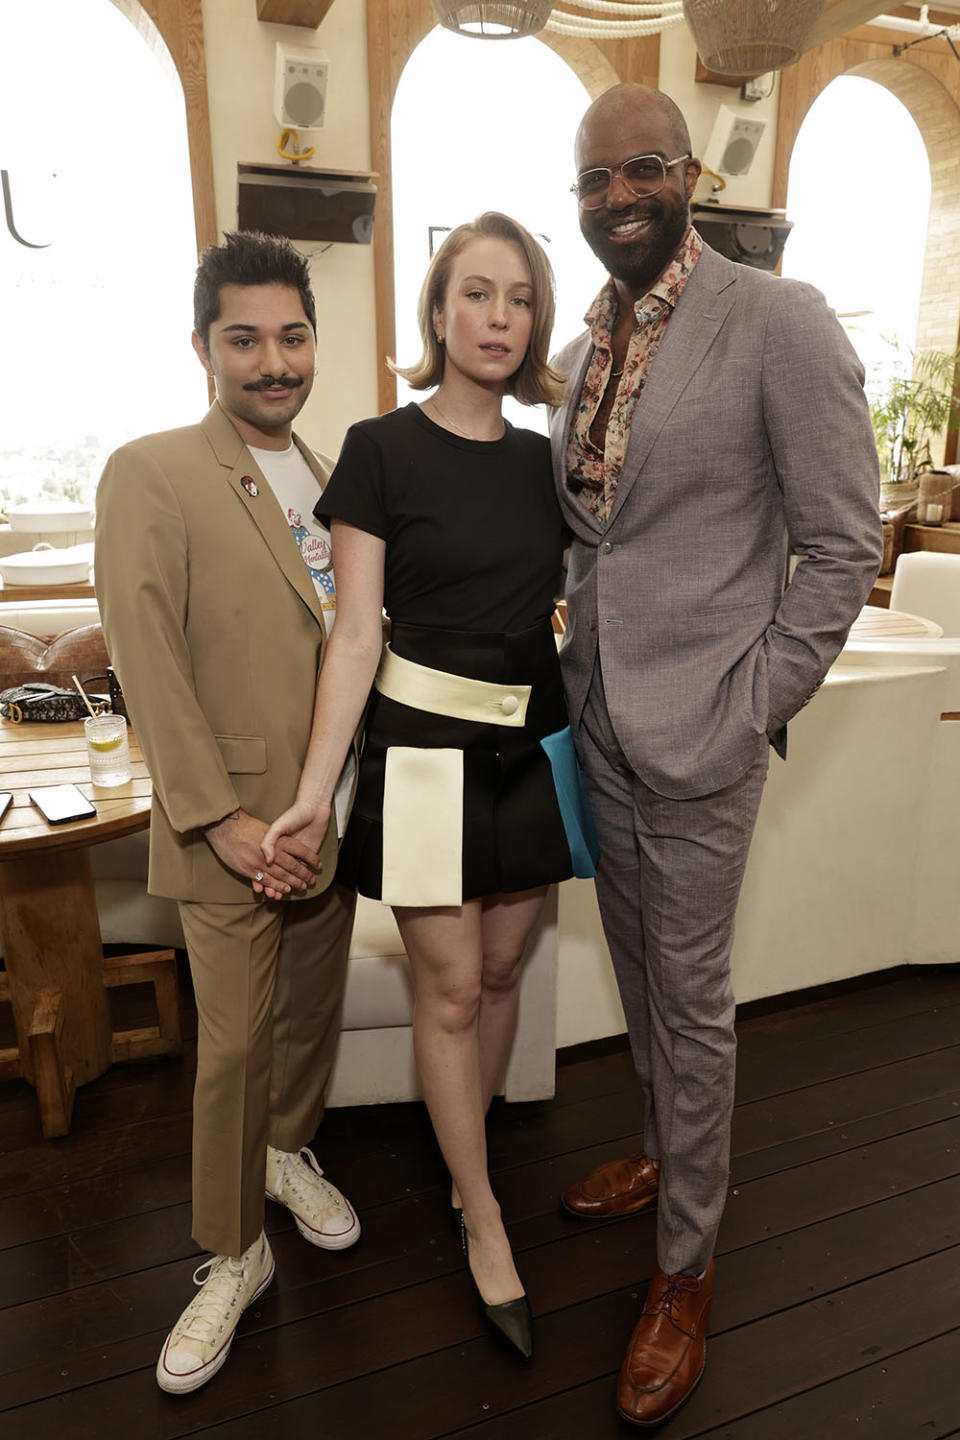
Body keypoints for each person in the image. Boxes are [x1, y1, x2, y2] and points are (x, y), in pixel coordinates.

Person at [550, 85, 883, 1427]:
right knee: (639, 968)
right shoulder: (597, 338)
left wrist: (751, 702)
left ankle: (684, 1262)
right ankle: (660, 1150)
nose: (618, 196)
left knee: (690, 1002)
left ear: (692, 172)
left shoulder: (774, 321)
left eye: (642, 169)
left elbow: (846, 547)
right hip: (601, 725)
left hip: (703, 731)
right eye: (593, 179)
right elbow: (598, 530)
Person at [263, 211, 595, 1361]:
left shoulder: (544, 461)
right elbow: (354, 637)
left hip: (531, 744)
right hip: (418, 751)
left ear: (534, 321)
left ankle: (468, 1165)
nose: (499, 318)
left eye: (519, 300)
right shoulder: (378, 449)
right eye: (477, 295)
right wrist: (318, 791)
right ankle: (485, 1211)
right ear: (439, 313)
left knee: (504, 970)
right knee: (450, 992)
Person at [94, 231, 360, 1395]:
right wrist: (219, 820)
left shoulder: (338, 473)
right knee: (235, 1046)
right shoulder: (152, 470)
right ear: (202, 347)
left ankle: (285, 1153)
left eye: (291, 335)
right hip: (235, 828)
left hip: (331, 813)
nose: (272, 360)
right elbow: (145, 658)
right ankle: (229, 1252)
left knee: (308, 1019)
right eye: (244, 338)